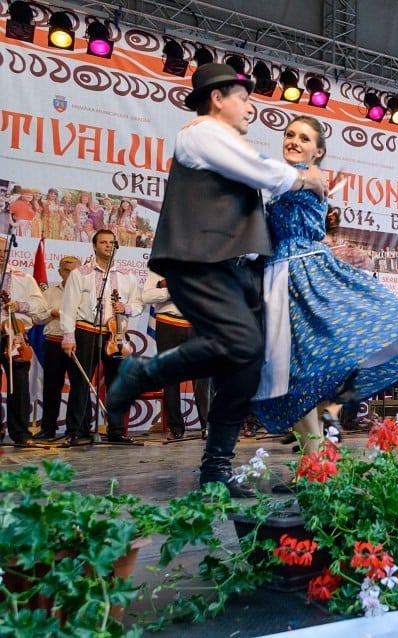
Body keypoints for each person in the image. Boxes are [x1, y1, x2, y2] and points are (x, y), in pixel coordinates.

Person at [104, 63, 331, 497]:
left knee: (245, 366)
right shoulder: (203, 133)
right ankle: (138, 374)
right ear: (217, 99)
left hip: (237, 269)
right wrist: (306, 177)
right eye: (243, 98)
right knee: (243, 346)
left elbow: (260, 172)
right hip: (200, 261)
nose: (251, 107)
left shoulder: (227, 141)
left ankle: (216, 472)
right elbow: (267, 172)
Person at [250, 115, 398, 454]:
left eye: (304, 138)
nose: (293, 141)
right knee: (291, 372)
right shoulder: (295, 180)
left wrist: (219, 134)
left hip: (300, 274)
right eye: (289, 134)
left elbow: (257, 166)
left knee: (297, 370)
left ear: (317, 152)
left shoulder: (307, 180)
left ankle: (315, 456)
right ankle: (315, 457)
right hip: (281, 275)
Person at [60, 229, 143, 446]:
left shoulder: (128, 275)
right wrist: (68, 336)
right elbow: (68, 306)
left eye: (111, 242)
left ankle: (116, 430)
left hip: (115, 334)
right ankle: (75, 431)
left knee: (117, 383)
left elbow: (138, 304)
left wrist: (126, 307)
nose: (108, 245)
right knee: (80, 383)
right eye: (103, 242)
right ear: (94, 246)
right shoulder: (81, 273)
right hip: (87, 330)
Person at [142, 269, 210, 440]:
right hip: (168, 322)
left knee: (203, 378)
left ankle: (207, 426)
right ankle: (176, 427)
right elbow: (146, 296)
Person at [0, 236, 46, 446]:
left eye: (3, 250)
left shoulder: (24, 278)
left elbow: (41, 308)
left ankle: (20, 432)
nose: (1, 253)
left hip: (16, 336)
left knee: (19, 387)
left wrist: (20, 306)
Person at [36, 255, 80, 441]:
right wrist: (50, 313)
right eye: (66, 270)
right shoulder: (50, 292)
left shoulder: (85, 291)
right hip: (54, 342)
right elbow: (37, 317)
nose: (70, 274)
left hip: (78, 343)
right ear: (60, 271)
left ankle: (74, 429)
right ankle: (48, 428)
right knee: (51, 387)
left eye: (73, 270)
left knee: (78, 387)